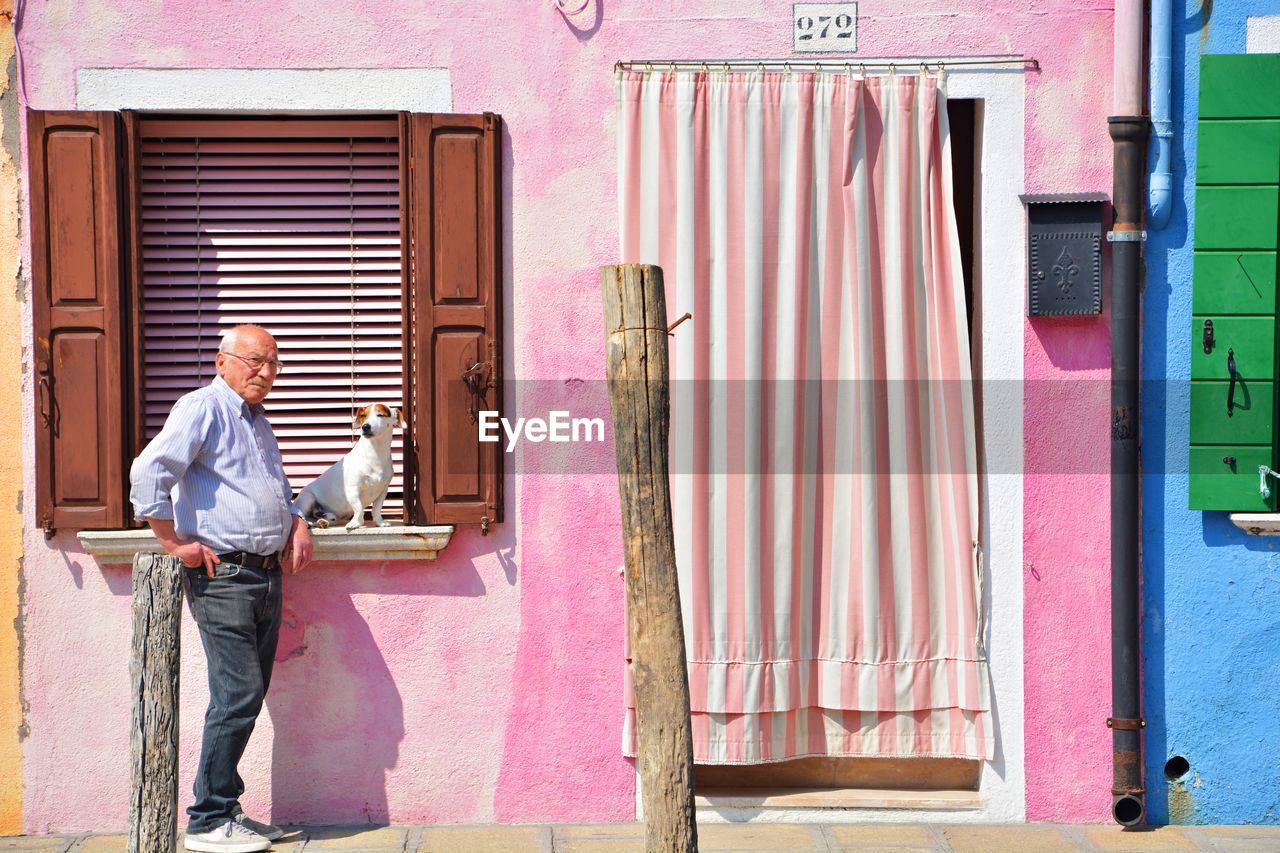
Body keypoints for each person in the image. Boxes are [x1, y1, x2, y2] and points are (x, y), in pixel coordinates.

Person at [130, 324, 314, 853]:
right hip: (224, 576)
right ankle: (208, 819)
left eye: (274, 364)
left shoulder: (258, 422)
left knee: (245, 695)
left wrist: (297, 522)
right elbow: (150, 470)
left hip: (264, 573)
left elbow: (277, 489)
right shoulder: (202, 408)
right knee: (237, 695)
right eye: (255, 361)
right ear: (222, 361)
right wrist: (169, 541)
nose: (266, 372)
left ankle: (226, 808)